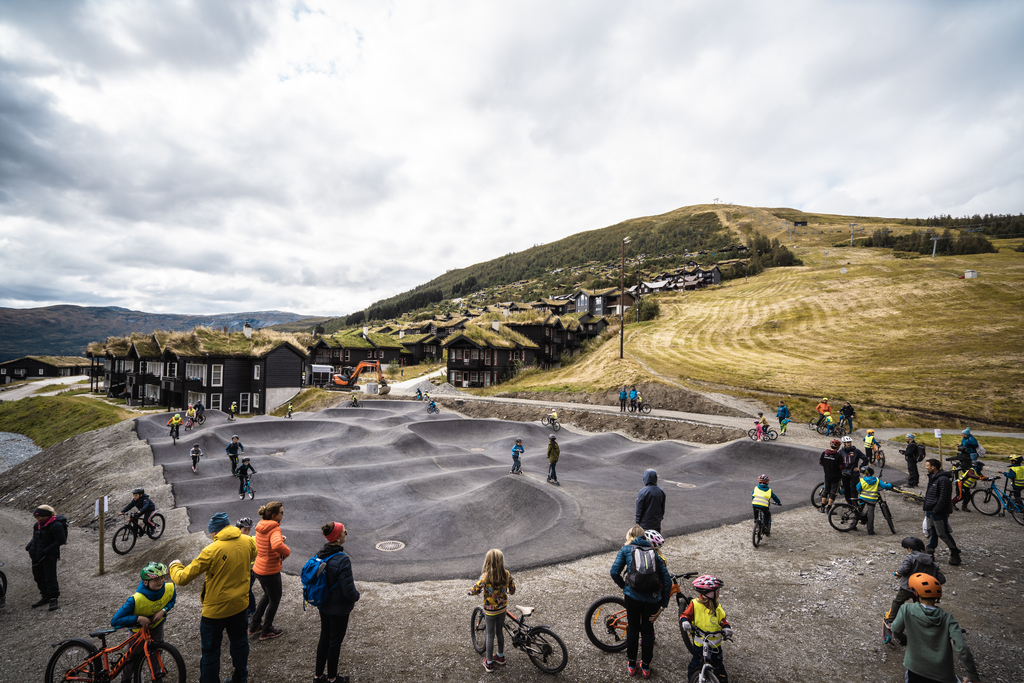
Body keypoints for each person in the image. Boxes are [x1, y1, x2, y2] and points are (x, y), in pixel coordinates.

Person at [168, 512, 256, 683]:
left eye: (210, 533)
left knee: (210, 652)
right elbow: (254, 555)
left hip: (215, 611)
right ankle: (241, 678)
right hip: (240, 605)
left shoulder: (211, 550)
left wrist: (175, 566)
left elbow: (182, 578)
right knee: (240, 644)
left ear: (215, 532)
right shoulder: (248, 541)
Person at [891, 573, 980, 683]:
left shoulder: (906, 609)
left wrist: (905, 640)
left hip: (915, 668)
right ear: (938, 597)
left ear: (915, 593)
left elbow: (895, 629)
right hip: (943, 674)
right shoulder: (948, 619)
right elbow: (961, 647)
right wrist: (972, 674)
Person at [610, 524, 672, 679]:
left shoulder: (626, 550)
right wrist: (663, 605)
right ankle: (645, 667)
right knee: (647, 631)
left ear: (630, 536)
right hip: (652, 599)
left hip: (632, 597)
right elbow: (667, 581)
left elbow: (614, 572)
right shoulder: (654, 552)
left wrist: (624, 586)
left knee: (633, 629)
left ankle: (632, 664)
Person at [111, 562, 177, 682]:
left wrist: (164, 610)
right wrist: (137, 619)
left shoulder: (169, 588)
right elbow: (115, 621)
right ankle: (126, 679)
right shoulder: (135, 600)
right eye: (156, 579)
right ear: (145, 582)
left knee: (156, 654)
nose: (161, 581)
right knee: (131, 660)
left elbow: (171, 600)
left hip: (157, 627)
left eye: (162, 577)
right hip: (138, 632)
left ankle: (157, 677)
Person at [313, 521, 360, 683]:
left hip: (324, 603)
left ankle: (318, 677)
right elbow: (349, 591)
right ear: (338, 537)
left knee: (324, 638)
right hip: (339, 608)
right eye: (344, 532)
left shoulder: (321, 553)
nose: (346, 534)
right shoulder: (343, 560)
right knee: (335, 642)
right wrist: (357, 596)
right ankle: (332, 678)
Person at [884, 537, 946, 644]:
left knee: (898, 602)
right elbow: (942, 579)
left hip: (907, 587)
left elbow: (902, 570)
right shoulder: (932, 562)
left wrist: (897, 573)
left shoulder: (910, 558)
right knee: (920, 606)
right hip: (923, 591)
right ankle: (922, 622)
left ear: (909, 549)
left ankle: (891, 619)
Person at [468, 549, 516, 673]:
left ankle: (489, 663)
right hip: (502, 609)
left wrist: (471, 591)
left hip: (490, 611)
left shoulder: (485, 576)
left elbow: (476, 588)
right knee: (499, 632)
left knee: (490, 635)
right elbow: (512, 590)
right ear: (501, 561)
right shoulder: (506, 574)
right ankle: (500, 656)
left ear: (488, 562)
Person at [680, 575, 732, 683]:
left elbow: (723, 620)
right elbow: (685, 615)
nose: (718, 593)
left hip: (715, 646)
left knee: (718, 667)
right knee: (694, 666)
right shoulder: (695, 604)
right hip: (700, 645)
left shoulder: (718, 607)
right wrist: (685, 621)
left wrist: (726, 628)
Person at [250, 501, 291, 641]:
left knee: (267, 595)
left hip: (259, 568)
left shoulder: (261, 525)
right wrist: (287, 552)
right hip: (270, 570)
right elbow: (276, 545)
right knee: (274, 599)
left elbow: (268, 543)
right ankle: (266, 630)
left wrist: (279, 539)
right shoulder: (274, 529)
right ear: (274, 515)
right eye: (281, 512)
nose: (283, 514)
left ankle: (255, 624)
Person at [26, 504, 67, 611]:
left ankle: (53, 598)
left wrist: (45, 551)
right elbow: (35, 537)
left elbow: (60, 541)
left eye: (38, 517)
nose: (37, 519)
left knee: (50, 577)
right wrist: (30, 546)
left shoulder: (56, 525)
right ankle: (45, 596)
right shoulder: (38, 525)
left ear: (45, 516)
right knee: (38, 576)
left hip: (49, 556)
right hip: (36, 555)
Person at [923, 459, 962, 566]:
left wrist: (936, 509)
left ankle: (955, 553)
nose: (926, 467)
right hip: (930, 509)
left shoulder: (943, 479)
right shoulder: (932, 477)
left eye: (927, 465)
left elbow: (944, 497)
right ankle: (930, 551)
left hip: (938, 511)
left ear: (933, 467)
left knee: (942, 533)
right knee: (932, 531)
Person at [854, 466, 894, 535]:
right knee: (871, 514)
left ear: (867, 474)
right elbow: (885, 486)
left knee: (858, 511)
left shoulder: (862, 480)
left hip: (862, 498)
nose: (863, 475)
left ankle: (852, 524)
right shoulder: (877, 480)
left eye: (863, 473)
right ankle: (870, 530)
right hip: (872, 499)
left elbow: (858, 488)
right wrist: (890, 484)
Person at [236, 518, 258, 621]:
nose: (247, 532)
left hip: (251, 571)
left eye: (248, 530)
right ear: (239, 529)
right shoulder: (236, 541)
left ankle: (253, 612)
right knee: (244, 591)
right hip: (241, 571)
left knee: (248, 591)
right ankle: (247, 610)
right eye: (245, 530)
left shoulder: (252, 539)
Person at [838, 436, 868, 504]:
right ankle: (849, 503)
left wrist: (860, 468)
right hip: (844, 473)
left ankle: (854, 504)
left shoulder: (856, 451)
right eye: (847, 442)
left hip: (854, 473)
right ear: (844, 443)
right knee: (846, 489)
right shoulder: (841, 451)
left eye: (850, 442)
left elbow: (865, 459)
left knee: (854, 489)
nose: (849, 443)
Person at [819, 439, 844, 512]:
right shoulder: (838, 456)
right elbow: (842, 467)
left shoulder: (824, 453)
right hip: (836, 476)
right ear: (838, 447)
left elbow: (820, 462)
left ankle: (822, 507)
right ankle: (829, 509)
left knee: (826, 491)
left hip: (827, 475)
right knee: (833, 492)